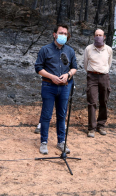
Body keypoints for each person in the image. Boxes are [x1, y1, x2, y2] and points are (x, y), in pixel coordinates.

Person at [34, 24, 77, 155]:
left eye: (65, 33)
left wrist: (68, 75)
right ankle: (43, 142)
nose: (63, 35)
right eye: (61, 33)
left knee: (61, 115)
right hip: (49, 86)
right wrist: (51, 77)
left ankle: (61, 141)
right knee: (46, 115)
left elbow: (74, 67)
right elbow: (38, 68)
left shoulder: (70, 51)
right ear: (54, 34)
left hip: (64, 87)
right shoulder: (45, 50)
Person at [83, 28, 113, 138]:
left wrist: (103, 71)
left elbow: (109, 64)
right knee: (92, 101)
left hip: (104, 76)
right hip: (92, 76)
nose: (98, 37)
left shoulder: (108, 49)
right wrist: (92, 72)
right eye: (96, 35)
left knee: (104, 101)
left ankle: (101, 125)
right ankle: (91, 128)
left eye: (100, 35)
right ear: (94, 36)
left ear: (104, 37)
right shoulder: (88, 49)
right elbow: (86, 64)